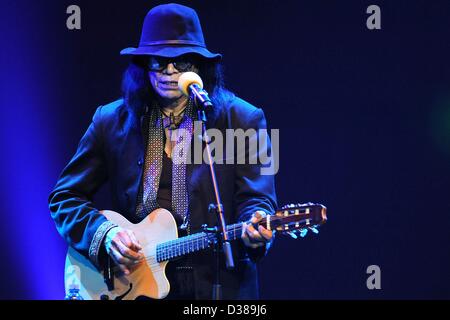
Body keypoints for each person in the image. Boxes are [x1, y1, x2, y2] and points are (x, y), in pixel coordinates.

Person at [49, 3, 277, 300]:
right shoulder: (111, 120)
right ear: (144, 66)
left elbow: (257, 199)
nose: (170, 71)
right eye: (158, 61)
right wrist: (105, 234)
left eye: (182, 61)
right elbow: (65, 198)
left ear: (200, 66)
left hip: (216, 288)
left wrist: (258, 227)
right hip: (133, 285)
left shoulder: (243, 119)